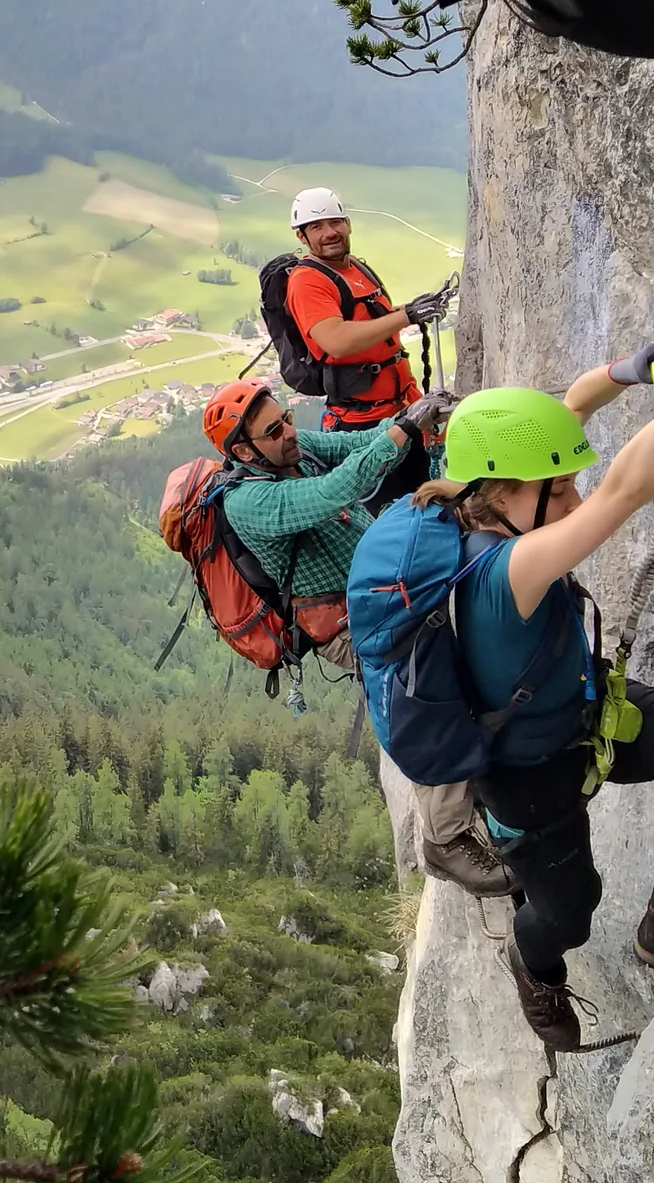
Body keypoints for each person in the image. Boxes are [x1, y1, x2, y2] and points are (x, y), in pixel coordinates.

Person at [416, 331, 654, 1050]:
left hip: (581, 715)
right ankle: (534, 963)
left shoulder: (486, 498)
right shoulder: (503, 573)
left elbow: (570, 405)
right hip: (526, 780)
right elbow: (623, 494)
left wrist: (632, 371)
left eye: (571, 483)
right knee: (569, 913)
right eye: (561, 487)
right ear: (504, 494)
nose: (574, 497)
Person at [202, 376, 511, 895]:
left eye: (284, 419)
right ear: (244, 451)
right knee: (424, 687)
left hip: (380, 588)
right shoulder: (249, 501)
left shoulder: (293, 450)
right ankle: (444, 836)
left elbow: (358, 445)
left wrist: (415, 422)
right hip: (348, 624)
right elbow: (333, 492)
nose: (288, 432)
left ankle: (476, 773)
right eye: (272, 431)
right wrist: (405, 427)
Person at [284, 186, 451, 504]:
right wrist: (406, 316)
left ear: (347, 224)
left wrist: (411, 310)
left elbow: (372, 320)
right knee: (388, 511)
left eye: (335, 222)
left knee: (425, 499)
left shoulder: (355, 268)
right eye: (316, 227)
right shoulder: (307, 281)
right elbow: (336, 341)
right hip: (361, 427)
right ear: (302, 237)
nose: (329, 232)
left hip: (403, 409)